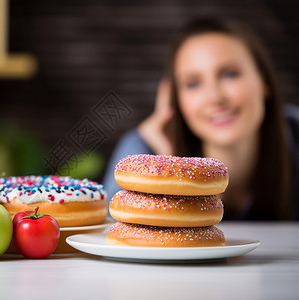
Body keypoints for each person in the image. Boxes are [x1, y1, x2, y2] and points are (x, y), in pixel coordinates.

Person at [103, 18, 299, 220]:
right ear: (174, 99)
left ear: (264, 81)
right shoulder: (142, 150)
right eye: (193, 83)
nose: (215, 97)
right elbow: (112, 231)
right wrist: (170, 168)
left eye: (230, 74)